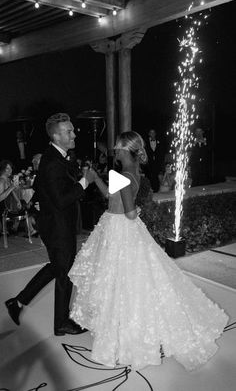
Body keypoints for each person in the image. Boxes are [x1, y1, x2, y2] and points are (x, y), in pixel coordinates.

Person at [69, 130, 228, 371]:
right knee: (129, 282)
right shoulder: (134, 174)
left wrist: (107, 188)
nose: (114, 151)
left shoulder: (123, 174)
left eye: (117, 148)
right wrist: (95, 179)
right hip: (121, 228)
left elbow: (129, 212)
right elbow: (113, 197)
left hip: (119, 230)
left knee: (120, 282)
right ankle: (126, 328)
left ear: (125, 150)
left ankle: (125, 335)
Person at [5, 113, 95, 336]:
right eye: (69, 131)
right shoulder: (53, 161)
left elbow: (43, 186)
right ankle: (61, 323)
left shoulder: (58, 156)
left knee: (57, 268)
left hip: (55, 223)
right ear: (56, 136)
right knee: (64, 273)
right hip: (57, 226)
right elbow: (62, 199)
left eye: (73, 130)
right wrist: (85, 181)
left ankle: (17, 302)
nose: (74, 134)